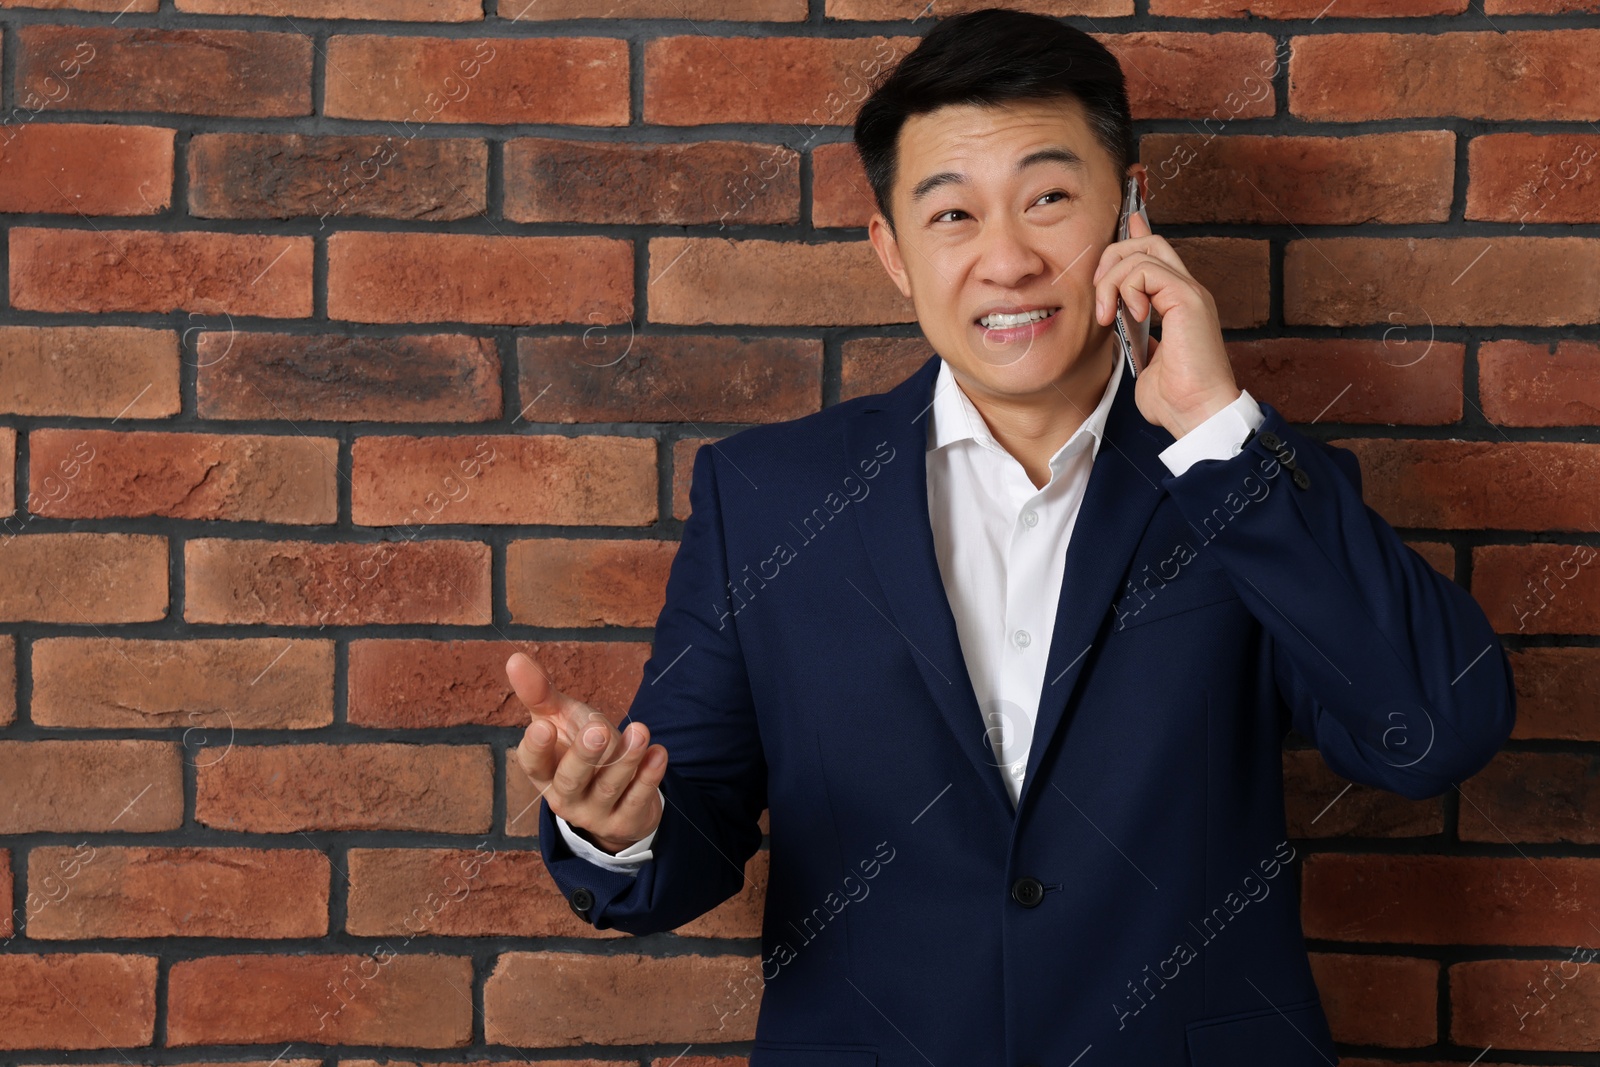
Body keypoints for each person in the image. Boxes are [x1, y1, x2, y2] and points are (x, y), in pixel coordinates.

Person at [509, 8, 1516, 1065]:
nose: (1006, 259)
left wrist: (1218, 431)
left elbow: (1436, 733)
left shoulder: (1249, 478)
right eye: (951, 216)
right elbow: (696, 828)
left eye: (1047, 199)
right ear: (892, 253)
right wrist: (615, 825)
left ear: (1131, 208)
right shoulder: (765, 495)